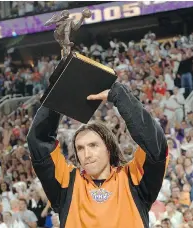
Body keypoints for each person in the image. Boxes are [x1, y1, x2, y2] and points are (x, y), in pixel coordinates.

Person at [27, 81, 169, 228]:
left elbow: (155, 144)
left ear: (108, 148)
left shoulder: (133, 177)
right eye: (80, 148)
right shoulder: (67, 182)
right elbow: (38, 141)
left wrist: (119, 96)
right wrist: (59, 96)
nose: (86, 154)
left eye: (93, 145)